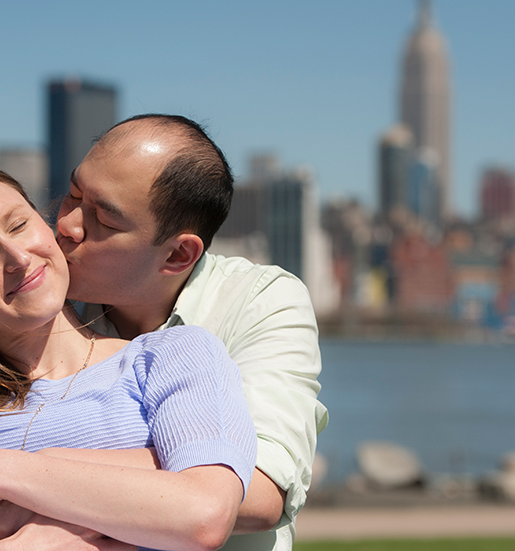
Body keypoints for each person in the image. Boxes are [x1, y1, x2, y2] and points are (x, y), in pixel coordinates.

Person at [0, 156, 257, 551]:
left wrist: (1, 474)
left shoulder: (172, 355)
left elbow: (204, 514)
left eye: (18, 224)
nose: (18, 257)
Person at [51, 114, 328, 551]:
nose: (67, 225)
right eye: (72, 193)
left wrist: (27, 471)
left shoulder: (259, 302)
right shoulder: (44, 305)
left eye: (102, 218)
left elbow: (257, 491)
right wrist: (193, 467)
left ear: (179, 253)